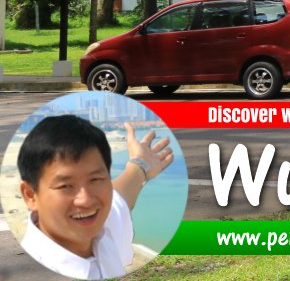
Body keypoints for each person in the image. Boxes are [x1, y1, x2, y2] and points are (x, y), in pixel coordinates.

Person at [17, 115, 174, 280]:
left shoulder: (101, 229)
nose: (86, 200)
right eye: (65, 186)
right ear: (30, 195)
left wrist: (141, 164)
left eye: (95, 180)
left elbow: (120, 198)